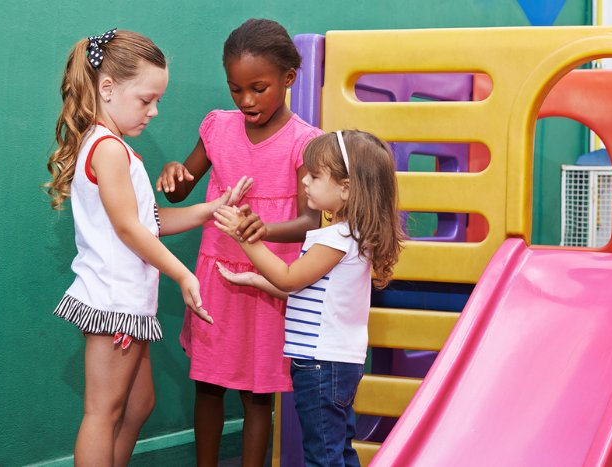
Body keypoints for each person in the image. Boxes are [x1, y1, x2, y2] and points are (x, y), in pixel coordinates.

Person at [44, 29, 251, 466]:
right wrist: (182, 272)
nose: (153, 111)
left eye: (157, 101)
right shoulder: (108, 150)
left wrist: (212, 207)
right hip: (113, 301)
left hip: (131, 303)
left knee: (137, 406)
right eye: (145, 100)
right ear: (107, 88)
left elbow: (149, 222)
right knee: (103, 413)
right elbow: (127, 228)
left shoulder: (115, 149)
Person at [154, 19, 322, 466]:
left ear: (288, 78)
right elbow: (180, 191)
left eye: (258, 88)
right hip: (217, 281)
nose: (246, 101)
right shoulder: (217, 128)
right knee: (207, 387)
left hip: (266, 284)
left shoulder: (305, 143)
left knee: (256, 398)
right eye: (236, 89)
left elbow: (310, 220)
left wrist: (263, 230)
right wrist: (173, 172)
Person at [214, 130, 404, 466]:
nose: (305, 182)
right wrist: (256, 279)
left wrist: (244, 239)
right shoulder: (351, 237)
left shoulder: (338, 238)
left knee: (323, 455)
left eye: (315, 176)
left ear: (346, 188)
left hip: (321, 364)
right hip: (335, 363)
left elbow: (289, 277)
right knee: (337, 448)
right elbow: (301, 288)